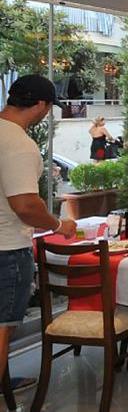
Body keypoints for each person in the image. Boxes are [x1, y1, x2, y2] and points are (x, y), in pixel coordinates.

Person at [1, 75, 78, 395]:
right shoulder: (18, 144)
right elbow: (25, 205)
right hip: (6, 250)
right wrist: (58, 225)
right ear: (41, 105)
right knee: (2, 330)